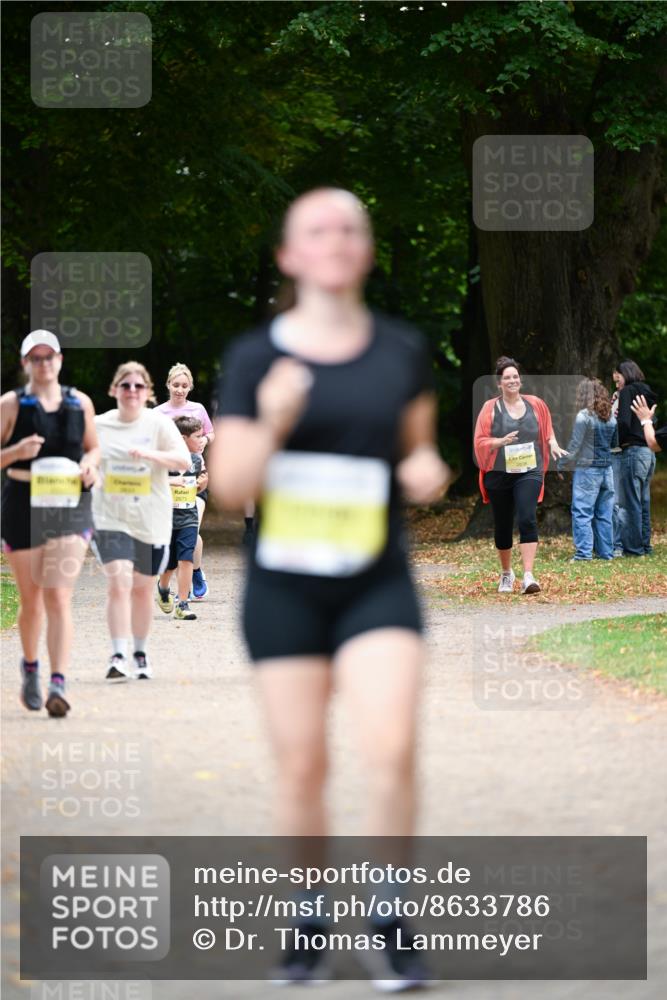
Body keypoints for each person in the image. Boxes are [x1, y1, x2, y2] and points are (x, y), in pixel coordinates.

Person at [209, 187, 451, 989]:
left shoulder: (401, 350)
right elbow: (230, 490)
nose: (338, 238)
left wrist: (424, 470)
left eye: (352, 226)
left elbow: (419, 456)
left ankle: (388, 918)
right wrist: (274, 419)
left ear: (367, 249)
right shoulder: (255, 359)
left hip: (375, 582)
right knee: (304, 765)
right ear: (289, 255)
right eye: (319, 228)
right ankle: (308, 912)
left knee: (391, 749)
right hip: (285, 588)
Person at [0, 330, 100, 717]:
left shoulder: (80, 403)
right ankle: (30, 668)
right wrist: (15, 452)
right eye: (35, 358)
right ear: (26, 363)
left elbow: (94, 447)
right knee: (32, 599)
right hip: (22, 503)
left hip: (70, 506)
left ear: (60, 359)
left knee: (58, 595)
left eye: (50, 357)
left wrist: (91, 464)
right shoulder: (10, 405)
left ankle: (59, 681)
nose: (44, 364)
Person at [91, 362, 190, 681]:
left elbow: (183, 461)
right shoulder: (98, 425)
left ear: (147, 392)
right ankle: (118, 655)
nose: (131, 391)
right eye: (125, 385)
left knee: (142, 590)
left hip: (151, 518)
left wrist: (151, 457)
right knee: (119, 583)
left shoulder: (159, 425)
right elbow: (84, 457)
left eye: (138, 386)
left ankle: (140, 653)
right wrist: (89, 471)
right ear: (113, 390)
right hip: (110, 516)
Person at [473, 357, 567, 595]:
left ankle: (528, 576)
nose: (512, 380)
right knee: (503, 525)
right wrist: (500, 441)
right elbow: (479, 441)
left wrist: (553, 444)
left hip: (529, 470)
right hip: (499, 473)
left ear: (520, 380)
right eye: (507, 378)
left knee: (527, 517)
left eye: (515, 376)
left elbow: (547, 429)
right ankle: (506, 573)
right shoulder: (490, 408)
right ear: (499, 383)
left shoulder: (536, 404)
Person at [155, 363, 213, 598]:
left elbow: (210, 433)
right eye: (175, 385)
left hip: (195, 475)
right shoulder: (157, 413)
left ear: (190, 387)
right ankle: (176, 578)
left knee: (192, 529)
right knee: (173, 534)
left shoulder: (198, 409)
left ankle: (194, 572)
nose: (179, 389)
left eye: (184, 385)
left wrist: (203, 443)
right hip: (168, 478)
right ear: (168, 385)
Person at [560, 379, 617, 561]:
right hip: (607, 470)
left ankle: (583, 554)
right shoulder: (610, 417)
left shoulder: (584, 416)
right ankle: (606, 553)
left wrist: (561, 463)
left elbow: (575, 446)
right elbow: (614, 444)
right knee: (604, 513)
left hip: (588, 470)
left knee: (582, 512)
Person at [156, 415, 205, 621]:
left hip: (189, 517)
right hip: (166, 517)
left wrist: (203, 482)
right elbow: (151, 482)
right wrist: (170, 483)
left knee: (186, 558)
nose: (202, 440)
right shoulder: (164, 458)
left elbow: (200, 481)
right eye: (198, 436)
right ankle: (163, 588)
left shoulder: (196, 459)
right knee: (170, 564)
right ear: (183, 439)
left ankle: (182, 603)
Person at [613, 360, 658, 556]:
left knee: (630, 503)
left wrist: (615, 442)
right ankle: (645, 546)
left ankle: (633, 549)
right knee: (643, 502)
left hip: (632, 451)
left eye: (618, 380)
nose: (617, 385)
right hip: (648, 452)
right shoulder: (647, 392)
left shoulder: (627, 392)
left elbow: (623, 422)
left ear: (626, 375)